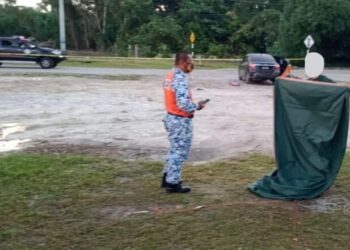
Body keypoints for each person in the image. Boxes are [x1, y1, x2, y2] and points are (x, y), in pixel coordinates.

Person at [161, 53, 207, 193]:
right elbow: (183, 104)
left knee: (174, 149)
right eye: (190, 61)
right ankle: (173, 183)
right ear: (183, 61)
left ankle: (167, 177)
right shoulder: (180, 78)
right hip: (180, 120)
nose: (191, 64)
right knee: (180, 152)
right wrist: (197, 106)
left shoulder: (170, 75)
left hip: (171, 117)